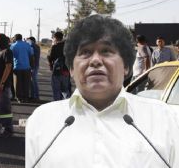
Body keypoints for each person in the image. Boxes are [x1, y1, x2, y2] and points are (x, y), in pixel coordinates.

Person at [26, 15, 179, 168]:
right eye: (85, 52)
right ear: (72, 68)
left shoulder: (165, 119)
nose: (95, 60)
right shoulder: (42, 121)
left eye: (106, 51)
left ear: (126, 66)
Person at [0, 33, 14, 137]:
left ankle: (8, 129)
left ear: (0, 41)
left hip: (2, 85)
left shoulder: (7, 51)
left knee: (4, 108)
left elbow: (8, 67)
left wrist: (2, 83)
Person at [10, 34, 34, 102]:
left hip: (17, 67)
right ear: (21, 38)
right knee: (26, 83)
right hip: (27, 67)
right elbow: (31, 56)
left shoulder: (13, 46)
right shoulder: (27, 45)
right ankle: (26, 97)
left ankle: (19, 98)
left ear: (15, 38)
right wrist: (32, 66)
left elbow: (10, 56)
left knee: (17, 84)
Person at [47, 31, 70, 101]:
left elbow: (50, 57)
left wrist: (50, 65)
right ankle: (68, 104)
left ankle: (57, 106)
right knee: (65, 90)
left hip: (57, 71)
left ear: (55, 38)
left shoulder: (54, 47)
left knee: (56, 90)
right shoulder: (68, 47)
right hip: (66, 70)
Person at [27, 36, 41, 102]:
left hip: (33, 66)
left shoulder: (32, 46)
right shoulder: (37, 46)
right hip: (36, 65)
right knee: (32, 81)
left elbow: (31, 57)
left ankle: (35, 96)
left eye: (28, 40)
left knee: (33, 81)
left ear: (31, 41)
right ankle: (33, 96)